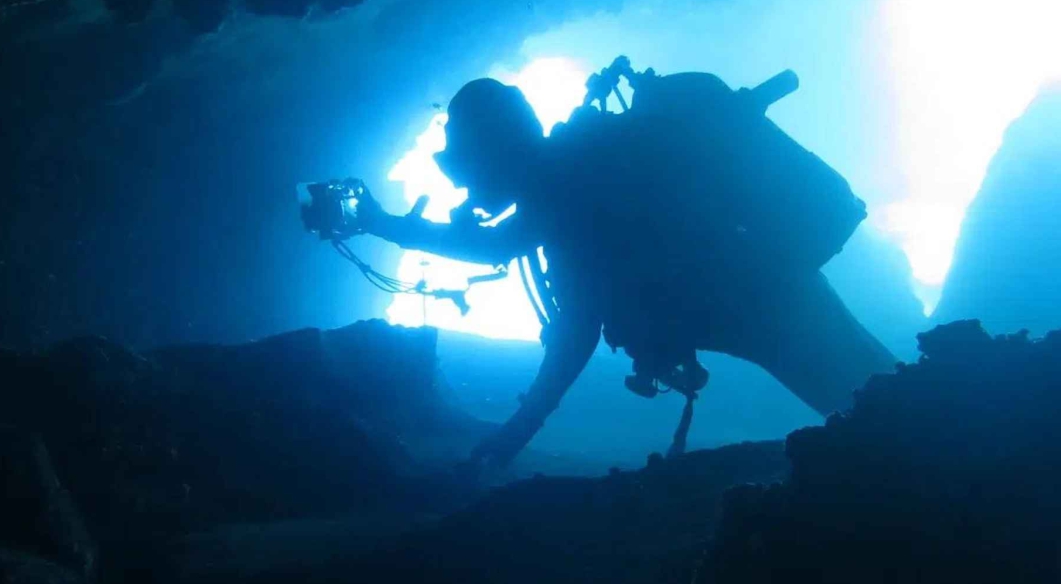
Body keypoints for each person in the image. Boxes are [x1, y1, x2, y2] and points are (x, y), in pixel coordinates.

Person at [357, 72, 897, 468]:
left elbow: (575, 328)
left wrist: (519, 430)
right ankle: (952, 440)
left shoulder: (567, 192)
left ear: (493, 152)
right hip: (764, 289)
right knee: (876, 387)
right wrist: (386, 226)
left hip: (758, 302)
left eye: (467, 163)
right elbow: (503, 245)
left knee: (873, 407)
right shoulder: (569, 177)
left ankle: (950, 477)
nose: (466, 185)